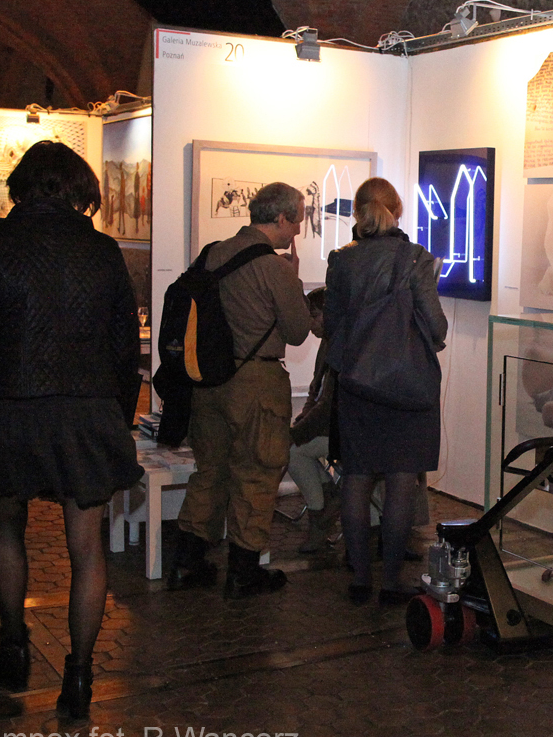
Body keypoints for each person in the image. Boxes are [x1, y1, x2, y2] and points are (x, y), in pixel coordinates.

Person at [0, 141, 143, 720]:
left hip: (15, 410)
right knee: (87, 546)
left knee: (7, 523)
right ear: (78, 189)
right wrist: (117, 416)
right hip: (86, 411)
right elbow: (125, 347)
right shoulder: (103, 251)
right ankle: (78, 679)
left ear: (23, 187)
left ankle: (14, 653)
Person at [167, 182, 311, 598]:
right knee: (256, 473)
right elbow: (298, 331)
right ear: (280, 218)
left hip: (208, 382)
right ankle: (244, 572)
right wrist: (294, 280)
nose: (296, 231)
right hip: (256, 384)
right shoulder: (275, 268)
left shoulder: (212, 253)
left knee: (209, 470)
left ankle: (187, 563)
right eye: (296, 222)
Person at [324, 177, 448, 606]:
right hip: (407, 386)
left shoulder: (342, 261)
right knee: (401, 482)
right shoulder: (415, 259)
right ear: (397, 210)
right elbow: (436, 326)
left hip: (357, 386)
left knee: (355, 479)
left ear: (357, 212)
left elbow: (331, 327)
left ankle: (360, 577)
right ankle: (392, 580)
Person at [288, 287, 340, 554]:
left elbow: (326, 405)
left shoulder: (338, 345)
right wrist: (302, 421)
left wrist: (298, 431)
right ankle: (327, 496)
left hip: (342, 430)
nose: (310, 324)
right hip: (331, 426)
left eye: (314, 316)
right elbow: (315, 391)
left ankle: (319, 515)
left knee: (291, 452)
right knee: (293, 445)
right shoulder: (329, 342)